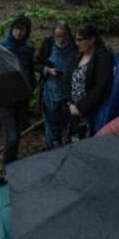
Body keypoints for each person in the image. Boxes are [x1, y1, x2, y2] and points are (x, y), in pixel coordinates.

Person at [66, 22, 114, 140]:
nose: (77, 43)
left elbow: (100, 87)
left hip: (91, 112)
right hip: (72, 110)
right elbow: (67, 80)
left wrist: (81, 108)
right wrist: (70, 103)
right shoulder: (76, 56)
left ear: (92, 40)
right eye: (75, 40)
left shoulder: (102, 57)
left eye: (80, 40)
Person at [0, 15, 35, 166]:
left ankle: (12, 162)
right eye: (17, 29)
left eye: (23, 30)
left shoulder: (27, 50)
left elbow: (30, 70)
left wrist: (31, 87)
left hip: (22, 97)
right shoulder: (3, 47)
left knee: (17, 134)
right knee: (12, 136)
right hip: (5, 98)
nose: (19, 33)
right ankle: (6, 166)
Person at [35, 21, 77, 149]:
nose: (61, 39)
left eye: (64, 36)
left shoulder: (75, 46)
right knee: (51, 121)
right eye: (58, 36)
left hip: (69, 92)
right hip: (51, 91)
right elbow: (36, 63)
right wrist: (47, 70)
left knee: (66, 122)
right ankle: (51, 147)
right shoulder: (47, 45)